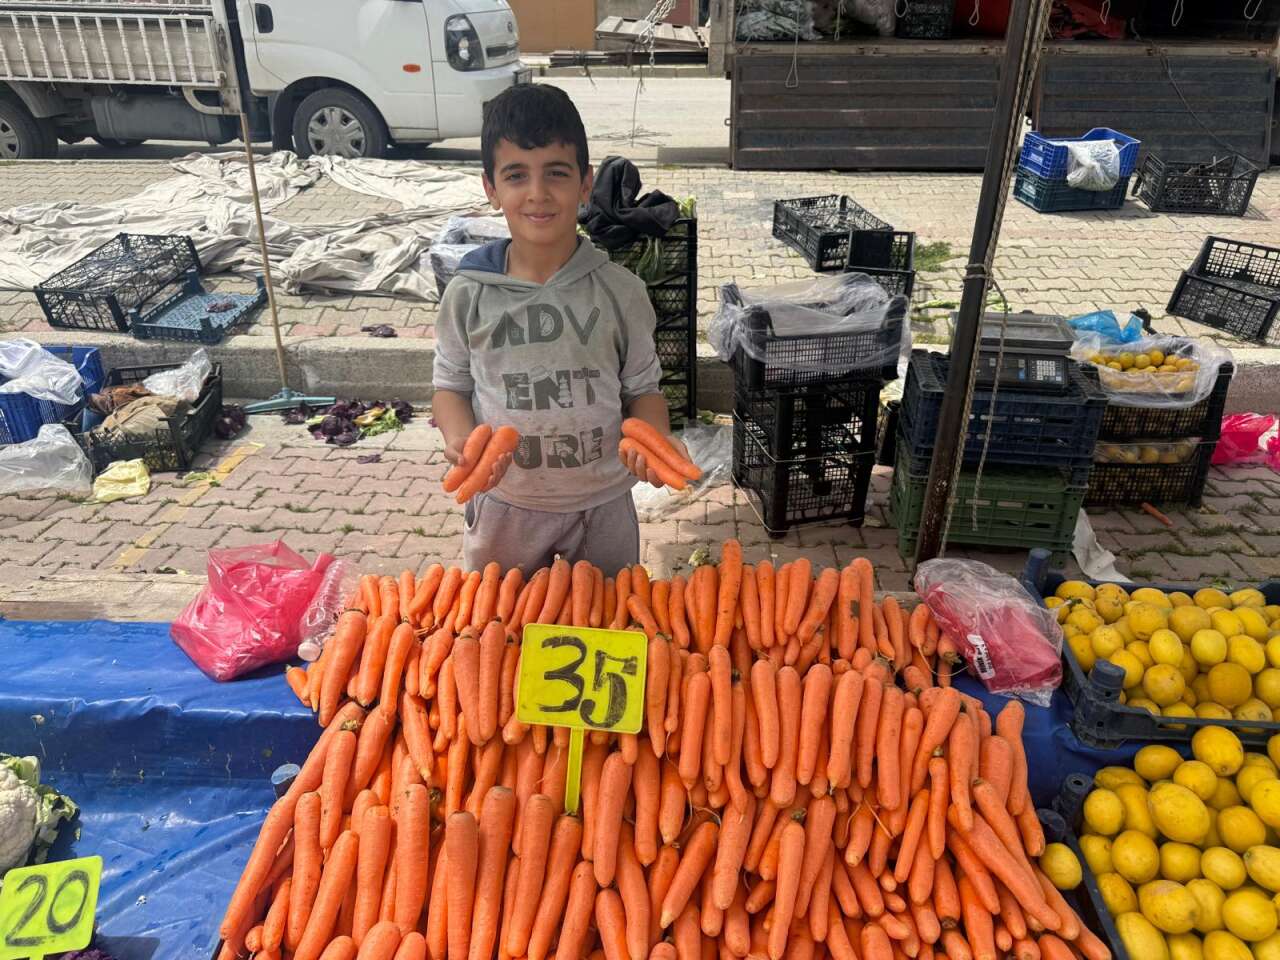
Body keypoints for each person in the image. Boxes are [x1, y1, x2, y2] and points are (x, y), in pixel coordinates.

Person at [431, 83, 687, 577]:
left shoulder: (621, 292)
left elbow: (643, 391)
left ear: (585, 184)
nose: (537, 193)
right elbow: (450, 387)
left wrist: (653, 439)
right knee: (502, 634)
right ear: (491, 188)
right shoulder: (468, 294)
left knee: (606, 624)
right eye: (516, 175)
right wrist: (464, 443)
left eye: (556, 173)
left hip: (604, 508)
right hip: (506, 506)